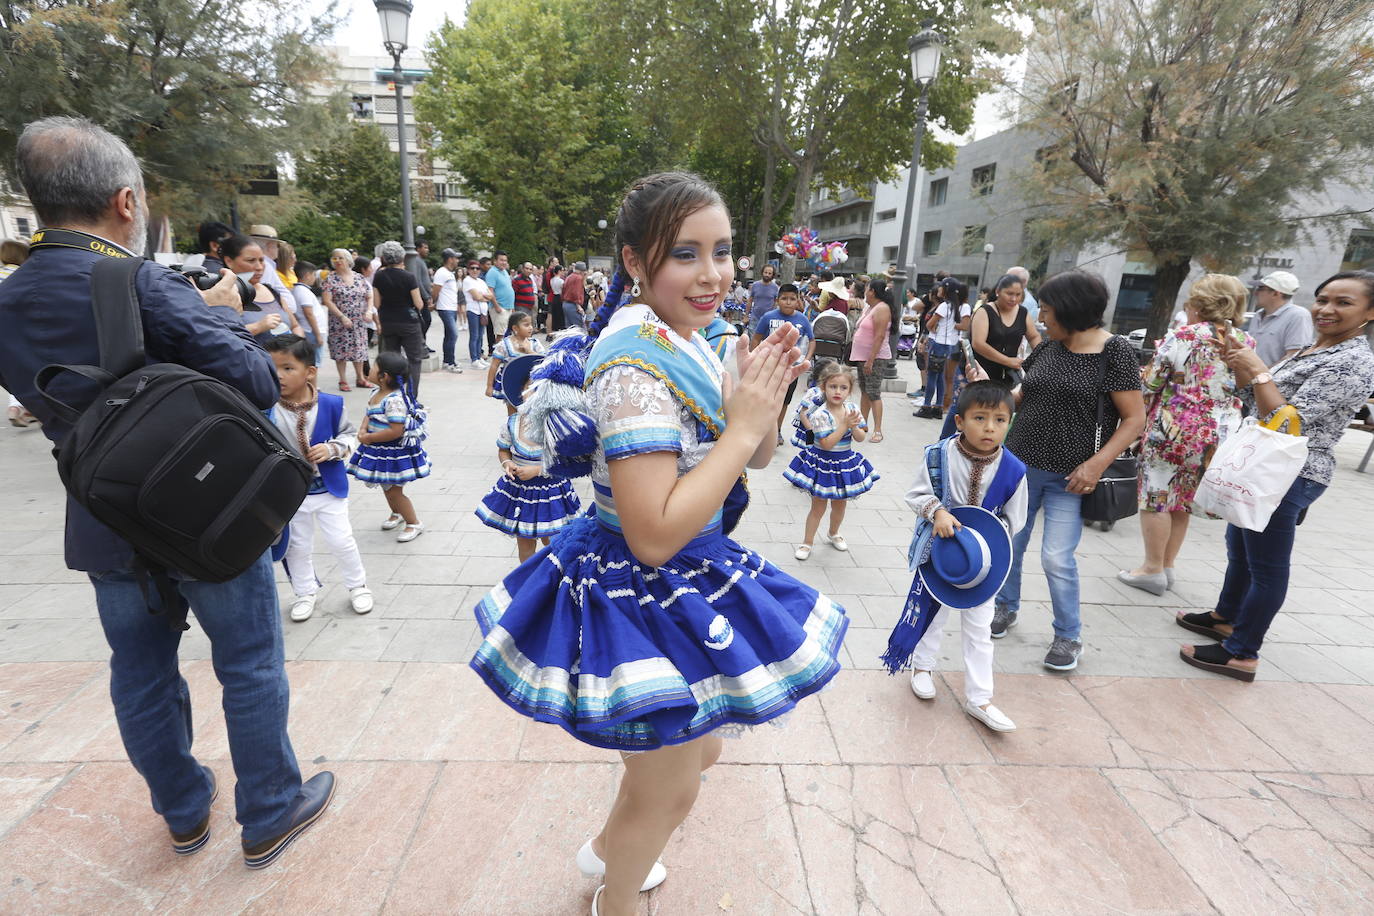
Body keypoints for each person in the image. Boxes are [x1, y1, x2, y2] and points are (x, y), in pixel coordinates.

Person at [467, 172, 846, 916]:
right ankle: (616, 896)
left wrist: (763, 396)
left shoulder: (693, 338)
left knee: (695, 748)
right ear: (636, 262)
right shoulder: (633, 364)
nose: (712, 275)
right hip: (646, 586)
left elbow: (758, 456)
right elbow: (652, 534)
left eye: (724, 251)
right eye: (686, 254)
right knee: (672, 785)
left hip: (691, 574)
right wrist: (741, 427)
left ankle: (608, 850)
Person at [0, 116, 333, 868]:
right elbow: (255, 382)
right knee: (247, 664)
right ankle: (270, 808)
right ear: (126, 202)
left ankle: (183, 810)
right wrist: (215, 317)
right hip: (202, 511)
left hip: (103, 516)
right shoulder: (138, 279)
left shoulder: (8, 299)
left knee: (139, 670)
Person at [1178, 270, 1374, 681]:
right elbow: (1256, 398)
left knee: (1267, 565)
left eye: (1343, 303)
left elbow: (1290, 422)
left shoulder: (1354, 362)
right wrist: (1241, 365)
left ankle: (1241, 652)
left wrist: (1257, 368)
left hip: (1292, 472)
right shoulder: (1309, 349)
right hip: (1261, 463)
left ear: (1369, 313)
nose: (1326, 309)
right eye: (1323, 299)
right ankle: (1225, 616)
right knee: (1241, 547)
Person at [991, 271, 1146, 671]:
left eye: (1045, 309)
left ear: (1071, 309)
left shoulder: (1115, 352)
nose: (1040, 317)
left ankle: (1068, 635)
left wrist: (1096, 465)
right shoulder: (1047, 349)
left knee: (1057, 558)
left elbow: (1134, 420)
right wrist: (988, 407)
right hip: (1020, 466)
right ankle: (1005, 608)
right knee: (1009, 544)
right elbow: (1023, 396)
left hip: (1071, 476)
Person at [889, 381, 1027, 732]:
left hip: (984, 566)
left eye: (1000, 419)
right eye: (980, 418)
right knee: (932, 615)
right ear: (960, 421)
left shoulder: (1013, 469)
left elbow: (1016, 518)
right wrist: (937, 511)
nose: (990, 427)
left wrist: (990, 537)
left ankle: (980, 697)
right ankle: (922, 667)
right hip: (940, 554)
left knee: (980, 628)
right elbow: (916, 493)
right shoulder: (938, 455)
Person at [1119, 274, 1254, 596]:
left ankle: (1151, 569)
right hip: (1217, 433)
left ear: (1201, 302)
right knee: (1182, 500)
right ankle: (1167, 565)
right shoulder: (1244, 341)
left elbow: (1150, 385)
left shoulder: (1183, 336)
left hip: (1174, 429)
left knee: (1157, 497)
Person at [263, 335, 373, 623]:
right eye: (272, 368)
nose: (279, 376)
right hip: (290, 494)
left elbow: (350, 435)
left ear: (310, 371)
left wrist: (333, 448)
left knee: (342, 540)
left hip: (328, 490)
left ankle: (358, 585)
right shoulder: (267, 408)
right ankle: (304, 592)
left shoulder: (331, 404)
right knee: (296, 546)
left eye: (287, 368)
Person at [476, 358, 582, 563]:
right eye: (529, 388)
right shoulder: (512, 423)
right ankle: (526, 581)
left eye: (539, 389)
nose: (533, 394)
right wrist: (507, 464)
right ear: (521, 392)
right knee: (524, 543)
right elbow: (503, 449)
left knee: (551, 543)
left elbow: (567, 461)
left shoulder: (556, 425)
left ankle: (551, 581)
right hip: (520, 494)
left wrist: (537, 470)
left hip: (551, 492)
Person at [786, 361, 879, 560]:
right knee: (818, 506)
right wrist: (845, 424)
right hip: (823, 463)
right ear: (824, 388)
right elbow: (827, 443)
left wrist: (853, 426)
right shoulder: (820, 414)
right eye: (833, 386)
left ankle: (833, 532)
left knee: (840, 504)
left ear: (850, 390)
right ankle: (807, 542)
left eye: (843, 387)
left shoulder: (852, 408)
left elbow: (861, 437)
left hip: (845, 463)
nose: (838, 391)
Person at [348, 351, 430, 543]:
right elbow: (369, 413)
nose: (370, 368)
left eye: (374, 366)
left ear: (383, 376)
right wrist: (362, 430)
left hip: (393, 453)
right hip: (378, 450)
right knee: (387, 486)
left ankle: (413, 522)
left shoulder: (394, 401)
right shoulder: (375, 392)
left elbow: (396, 430)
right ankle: (396, 512)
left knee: (394, 489)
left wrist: (369, 437)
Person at [751, 282, 815, 443]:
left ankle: (777, 431)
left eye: (792, 299)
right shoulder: (768, 317)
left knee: (784, 401)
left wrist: (807, 358)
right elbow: (757, 338)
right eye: (784, 298)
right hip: (769, 367)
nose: (788, 302)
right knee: (767, 399)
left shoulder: (802, 319)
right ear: (777, 300)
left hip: (791, 369)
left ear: (798, 301)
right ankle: (763, 430)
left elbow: (812, 340)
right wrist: (755, 358)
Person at [221, 233, 303, 343]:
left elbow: (295, 326)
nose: (259, 267)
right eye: (251, 260)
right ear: (229, 261)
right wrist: (258, 327)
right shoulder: (220, 295)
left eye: (261, 260)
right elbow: (219, 336)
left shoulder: (271, 291)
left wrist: (299, 346)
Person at [372, 240, 427, 395]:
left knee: (391, 360)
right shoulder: (409, 277)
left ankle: (392, 394)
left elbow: (376, 303)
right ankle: (411, 396)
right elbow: (419, 303)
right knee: (414, 360)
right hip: (409, 322)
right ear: (402, 257)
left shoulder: (379, 277)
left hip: (388, 322)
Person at [971, 273, 1042, 386]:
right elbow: (978, 344)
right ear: (998, 291)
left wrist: (1040, 356)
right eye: (1009, 294)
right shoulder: (984, 311)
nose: (1013, 299)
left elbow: (1034, 336)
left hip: (1008, 375)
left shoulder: (1023, 312)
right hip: (981, 372)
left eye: (1018, 294)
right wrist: (1007, 361)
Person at [917, 278, 970, 418]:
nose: (938, 289)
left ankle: (927, 406)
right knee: (941, 376)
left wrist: (935, 328)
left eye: (940, 287)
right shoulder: (958, 306)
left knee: (932, 376)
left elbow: (929, 325)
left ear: (946, 289)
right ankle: (938, 407)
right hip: (950, 345)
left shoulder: (944, 306)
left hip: (939, 343)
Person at [850, 278, 894, 443]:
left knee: (874, 393)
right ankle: (862, 424)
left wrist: (870, 360)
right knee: (865, 391)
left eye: (867, 289)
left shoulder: (882, 308)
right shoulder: (870, 308)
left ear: (872, 291)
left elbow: (880, 336)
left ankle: (878, 430)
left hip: (875, 357)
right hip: (862, 357)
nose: (865, 292)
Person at [323, 249, 373, 391]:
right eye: (335, 259)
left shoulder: (359, 277)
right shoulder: (330, 279)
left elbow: (369, 296)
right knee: (341, 350)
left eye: (341, 258)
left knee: (359, 348)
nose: (337, 261)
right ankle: (343, 380)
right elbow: (328, 301)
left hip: (358, 319)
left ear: (348, 260)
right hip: (339, 320)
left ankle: (360, 378)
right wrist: (341, 316)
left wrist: (369, 310)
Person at [2, 238, 36, 426]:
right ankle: (30, 408)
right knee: (27, 369)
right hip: (18, 328)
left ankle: (16, 408)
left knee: (12, 372)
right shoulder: (21, 274)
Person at [1247, 270, 1312, 366]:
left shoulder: (1298, 315)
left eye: (1260, 288)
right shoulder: (1258, 315)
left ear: (1276, 294)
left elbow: (1294, 356)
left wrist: (1263, 375)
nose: (1256, 292)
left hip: (1271, 380)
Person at [486, 308, 546, 413]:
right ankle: (513, 428)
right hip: (511, 383)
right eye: (526, 325)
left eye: (531, 325)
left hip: (531, 383)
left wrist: (529, 351)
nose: (531, 328)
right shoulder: (504, 345)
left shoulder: (535, 343)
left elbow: (543, 360)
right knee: (513, 411)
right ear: (515, 328)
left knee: (529, 414)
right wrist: (489, 386)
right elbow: (494, 366)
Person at [430, 248, 466, 372]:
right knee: (453, 334)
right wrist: (433, 303)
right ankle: (449, 363)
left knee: (449, 335)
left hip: (451, 308)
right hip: (445, 308)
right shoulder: (442, 272)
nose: (457, 260)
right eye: (456, 258)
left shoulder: (449, 273)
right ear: (450, 259)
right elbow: (436, 290)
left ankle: (448, 361)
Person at [291, 260, 328, 365]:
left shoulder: (300, 290)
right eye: (313, 274)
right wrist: (318, 335)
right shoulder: (303, 291)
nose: (315, 277)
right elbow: (309, 314)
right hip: (311, 332)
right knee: (313, 363)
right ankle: (311, 382)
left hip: (311, 331)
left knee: (312, 363)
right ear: (307, 275)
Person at [462, 259, 494, 367]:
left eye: (477, 268)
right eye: (472, 268)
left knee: (480, 336)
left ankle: (479, 356)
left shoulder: (481, 281)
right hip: (473, 311)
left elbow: (490, 296)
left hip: (483, 312)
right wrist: (482, 296)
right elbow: (476, 296)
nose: (475, 270)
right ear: (468, 270)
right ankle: (474, 359)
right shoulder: (467, 280)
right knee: (474, 335)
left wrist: (482, 296)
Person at [248, 225, 291, 304]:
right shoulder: (265, 265)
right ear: (269, 246)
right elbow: (263, 294)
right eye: (277, 245)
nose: (278, 249)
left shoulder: (266, 264)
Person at [485, 249, 515, 347]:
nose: (504, 262)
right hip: (499, 307)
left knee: (507, 333)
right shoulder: (492, 272)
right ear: (495, 261)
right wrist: (496, 306)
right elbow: (490, 291)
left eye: (505, 260)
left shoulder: (504, 272)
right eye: (501, 260)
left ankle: (505, 354)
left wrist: (512, 307)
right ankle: (498, 357)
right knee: (500, 334)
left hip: (508, 307)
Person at [747, 262, 779, 328]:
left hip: (768, 318)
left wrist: (774, 315)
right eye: (765, 272)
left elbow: (776, 302)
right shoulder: (755, 285)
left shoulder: (775, 287)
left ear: (773, 275)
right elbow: (750, 301)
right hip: (754, 317)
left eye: (769, 273)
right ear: (762, 272)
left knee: (767, 338)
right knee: (752, 337)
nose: (767, 275)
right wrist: (746, 315)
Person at [562, 260, 588, 328]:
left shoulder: (569, 277)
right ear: (582, 271)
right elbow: (576, 293)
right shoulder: (578, 278)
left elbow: (563, 290)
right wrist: (578, 306)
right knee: (578, 328)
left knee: (569, 328)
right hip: (573, 305)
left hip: (565, 304)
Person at [542, 256, 563, 335]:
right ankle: (549, 332)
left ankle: (550, 332)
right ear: (551, 263)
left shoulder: (550, 272)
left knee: (550, 314)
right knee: (550, 314)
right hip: (552, 295)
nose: (558, 263)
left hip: (551, 295)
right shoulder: (549, 273)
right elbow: (549, 285)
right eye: (556, 262)